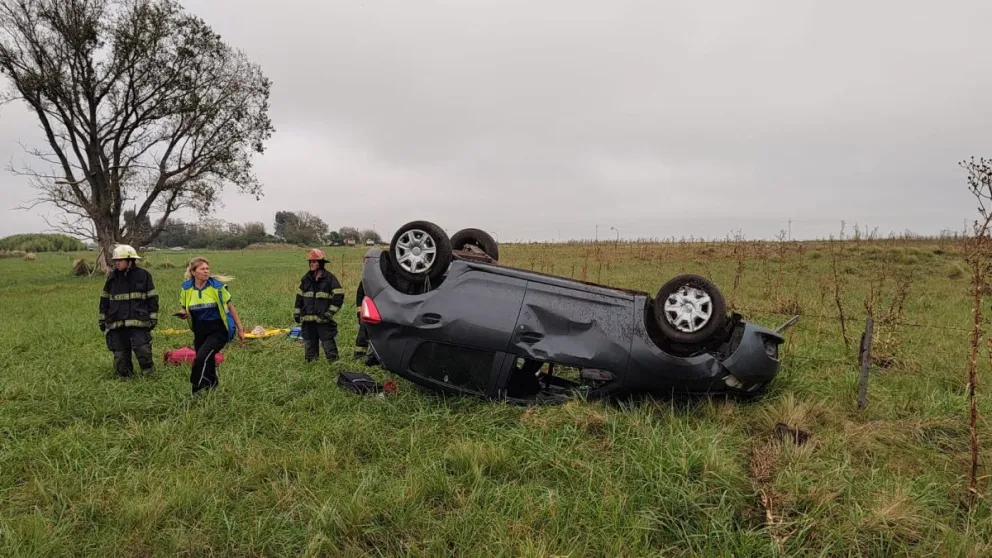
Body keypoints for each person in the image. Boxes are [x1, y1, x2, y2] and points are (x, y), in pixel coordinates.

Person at [176, 257, 245, 394]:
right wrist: (183, 313)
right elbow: (184, 307)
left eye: (207, 269)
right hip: (199, 330)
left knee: (201, 358)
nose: (206, 271)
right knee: (207, 359)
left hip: (218, 330)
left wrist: (240, 330)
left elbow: (231, 308)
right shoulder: (186, 288)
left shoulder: (217, 288)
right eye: (202, 269)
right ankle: (212, 386)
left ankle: (195, 389)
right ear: (193, 272)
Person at [99, 244, 158, 378]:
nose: (117, 263)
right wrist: (102, 318)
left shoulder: (144, 275)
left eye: (120, 260)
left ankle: (149, 376)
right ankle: (124, 377)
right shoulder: (112, 277)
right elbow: (104, 299)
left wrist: (153, 317)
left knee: (143, 349)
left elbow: (152, 297)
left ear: (130, 261)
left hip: (139, 320)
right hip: (116, 321)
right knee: (120, 354)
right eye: (115, 261)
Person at [294, 248, 344, 363]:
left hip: (323, 320)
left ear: (321, 263)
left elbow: (339, 296)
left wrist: (329, 314)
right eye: (310, 262)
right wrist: (297, 312)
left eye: (315, 261)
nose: (312, 264)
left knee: (328, 344)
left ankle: (334, 365)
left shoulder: (329, 278)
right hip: (308, 321)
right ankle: (311, 365)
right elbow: (299, 298)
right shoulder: (306, 279)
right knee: (310, 346)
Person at [353, 248, 380, 365]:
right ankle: (359, 355)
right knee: (362, 335)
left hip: (379, 313)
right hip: (367, 312)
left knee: (377, 336)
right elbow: (359, 296)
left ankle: (373, 358)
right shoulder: (364, 280)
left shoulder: (383, 279)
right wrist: (360, 312)